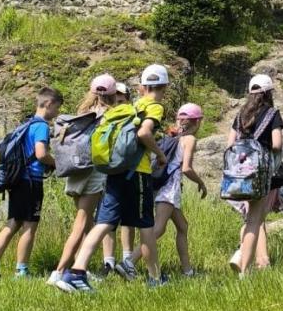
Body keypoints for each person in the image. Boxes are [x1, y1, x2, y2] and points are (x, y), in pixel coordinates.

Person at [57, 65, 171, 293]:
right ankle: (155, 278)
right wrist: (159, 155)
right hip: (136, 172)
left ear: (141, 87)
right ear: (165, 87)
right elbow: (144, 133)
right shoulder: (155, 107)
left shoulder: (132, 106)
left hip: (114, 171)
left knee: (104, 223)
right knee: (146, 224)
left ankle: (75, 272)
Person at [0, 87, 62, 279]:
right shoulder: (41, 126)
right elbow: (41, 153)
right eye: (57, 108)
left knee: (12, 224)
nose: (57, 113)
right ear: (48, 104)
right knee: (30, 226)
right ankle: (21, 271)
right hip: (31, 182)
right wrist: (56, 163)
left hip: (17, 182)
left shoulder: (26, 125)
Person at [46, 73, 116, 288]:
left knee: (88, 225)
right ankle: (59, 272)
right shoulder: (110, 116)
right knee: (82, 223)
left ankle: (80, 269)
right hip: (93, 172)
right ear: (112, 95)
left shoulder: (82, 113)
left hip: (75, 172)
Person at [141, 102, 207, 279]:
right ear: (197, 122)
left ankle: (187, 271)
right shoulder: (190, 140)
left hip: (160, 184)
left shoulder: (170, 136)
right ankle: (129, 262)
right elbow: (186, 168)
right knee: (159, 228)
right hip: (169, 187)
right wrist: (201, 183)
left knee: (182, 226)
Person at [229, 73, 283, 277]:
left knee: (249, 218)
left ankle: (240, 256)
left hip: (240, 175)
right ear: (268, 93)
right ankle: (244, 269)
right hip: (260, 174)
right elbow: (277, 144)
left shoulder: (240, 115)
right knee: (255, 220)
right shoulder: (272, 114)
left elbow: (230, 145)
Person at [101, 81, 138, 278]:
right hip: (108, 172)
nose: (119, 103)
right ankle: (108, 262)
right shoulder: (107, 117)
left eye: (122, 100)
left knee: (128, 218)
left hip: (128, 170)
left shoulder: (133, 115)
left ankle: (127, 260)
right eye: (116, 99)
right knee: (107, 219)